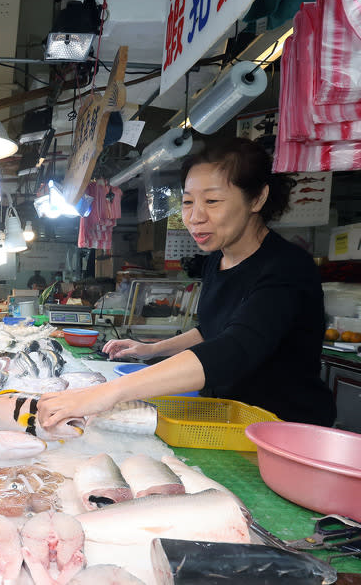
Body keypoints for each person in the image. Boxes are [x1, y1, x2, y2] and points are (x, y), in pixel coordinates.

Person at [39, 138, 336, 429]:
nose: (195, 217)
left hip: (287, 426)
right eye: (188, 202)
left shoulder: (286, 268)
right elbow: (212, 330)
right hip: (231, 417)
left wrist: (105, 393)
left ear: (257, 198)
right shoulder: (216, 260)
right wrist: (150, 350)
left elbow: (235, 348)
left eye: (213, 201)